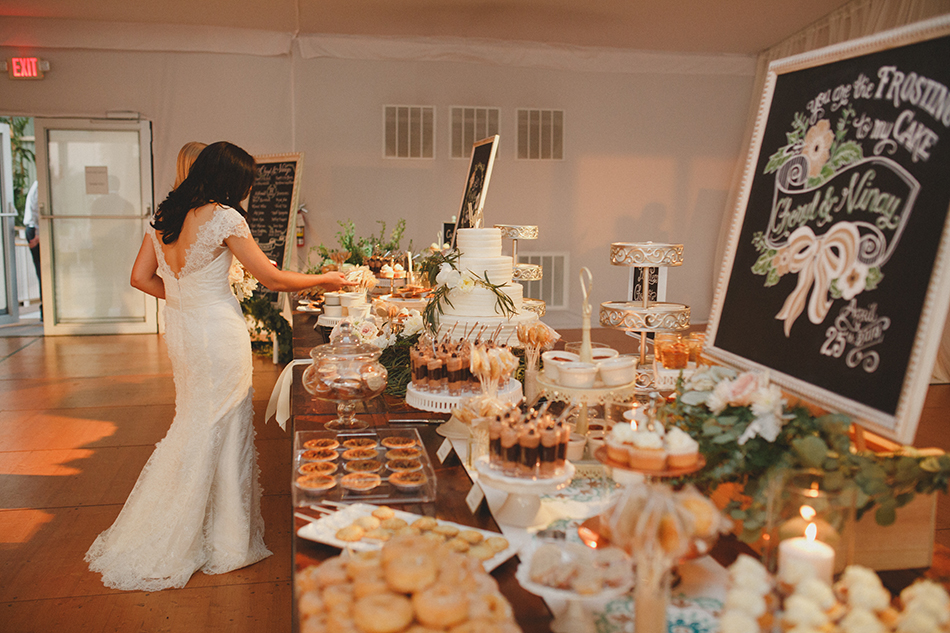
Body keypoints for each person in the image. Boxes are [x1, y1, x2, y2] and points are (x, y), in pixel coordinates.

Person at [85, 141, 354, 591]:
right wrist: (325, 279)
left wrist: (185, 299)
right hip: (217, 334)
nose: (249, 190)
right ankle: (227, 542)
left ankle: (170, 530)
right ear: (232, 180)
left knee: (192, 422)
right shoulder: (226, 218)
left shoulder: (165, 216)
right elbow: (271, 278)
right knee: (224, 424)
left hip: (185, 332)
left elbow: (139, 277)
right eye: (246, 181)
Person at [23, 180, 42, 320]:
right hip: (36, 230)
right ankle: (45, 310)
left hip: (38, 229)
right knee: (43, 272)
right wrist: (38, 235)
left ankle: (46, 310)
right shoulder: (41, 185)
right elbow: (38, 209)